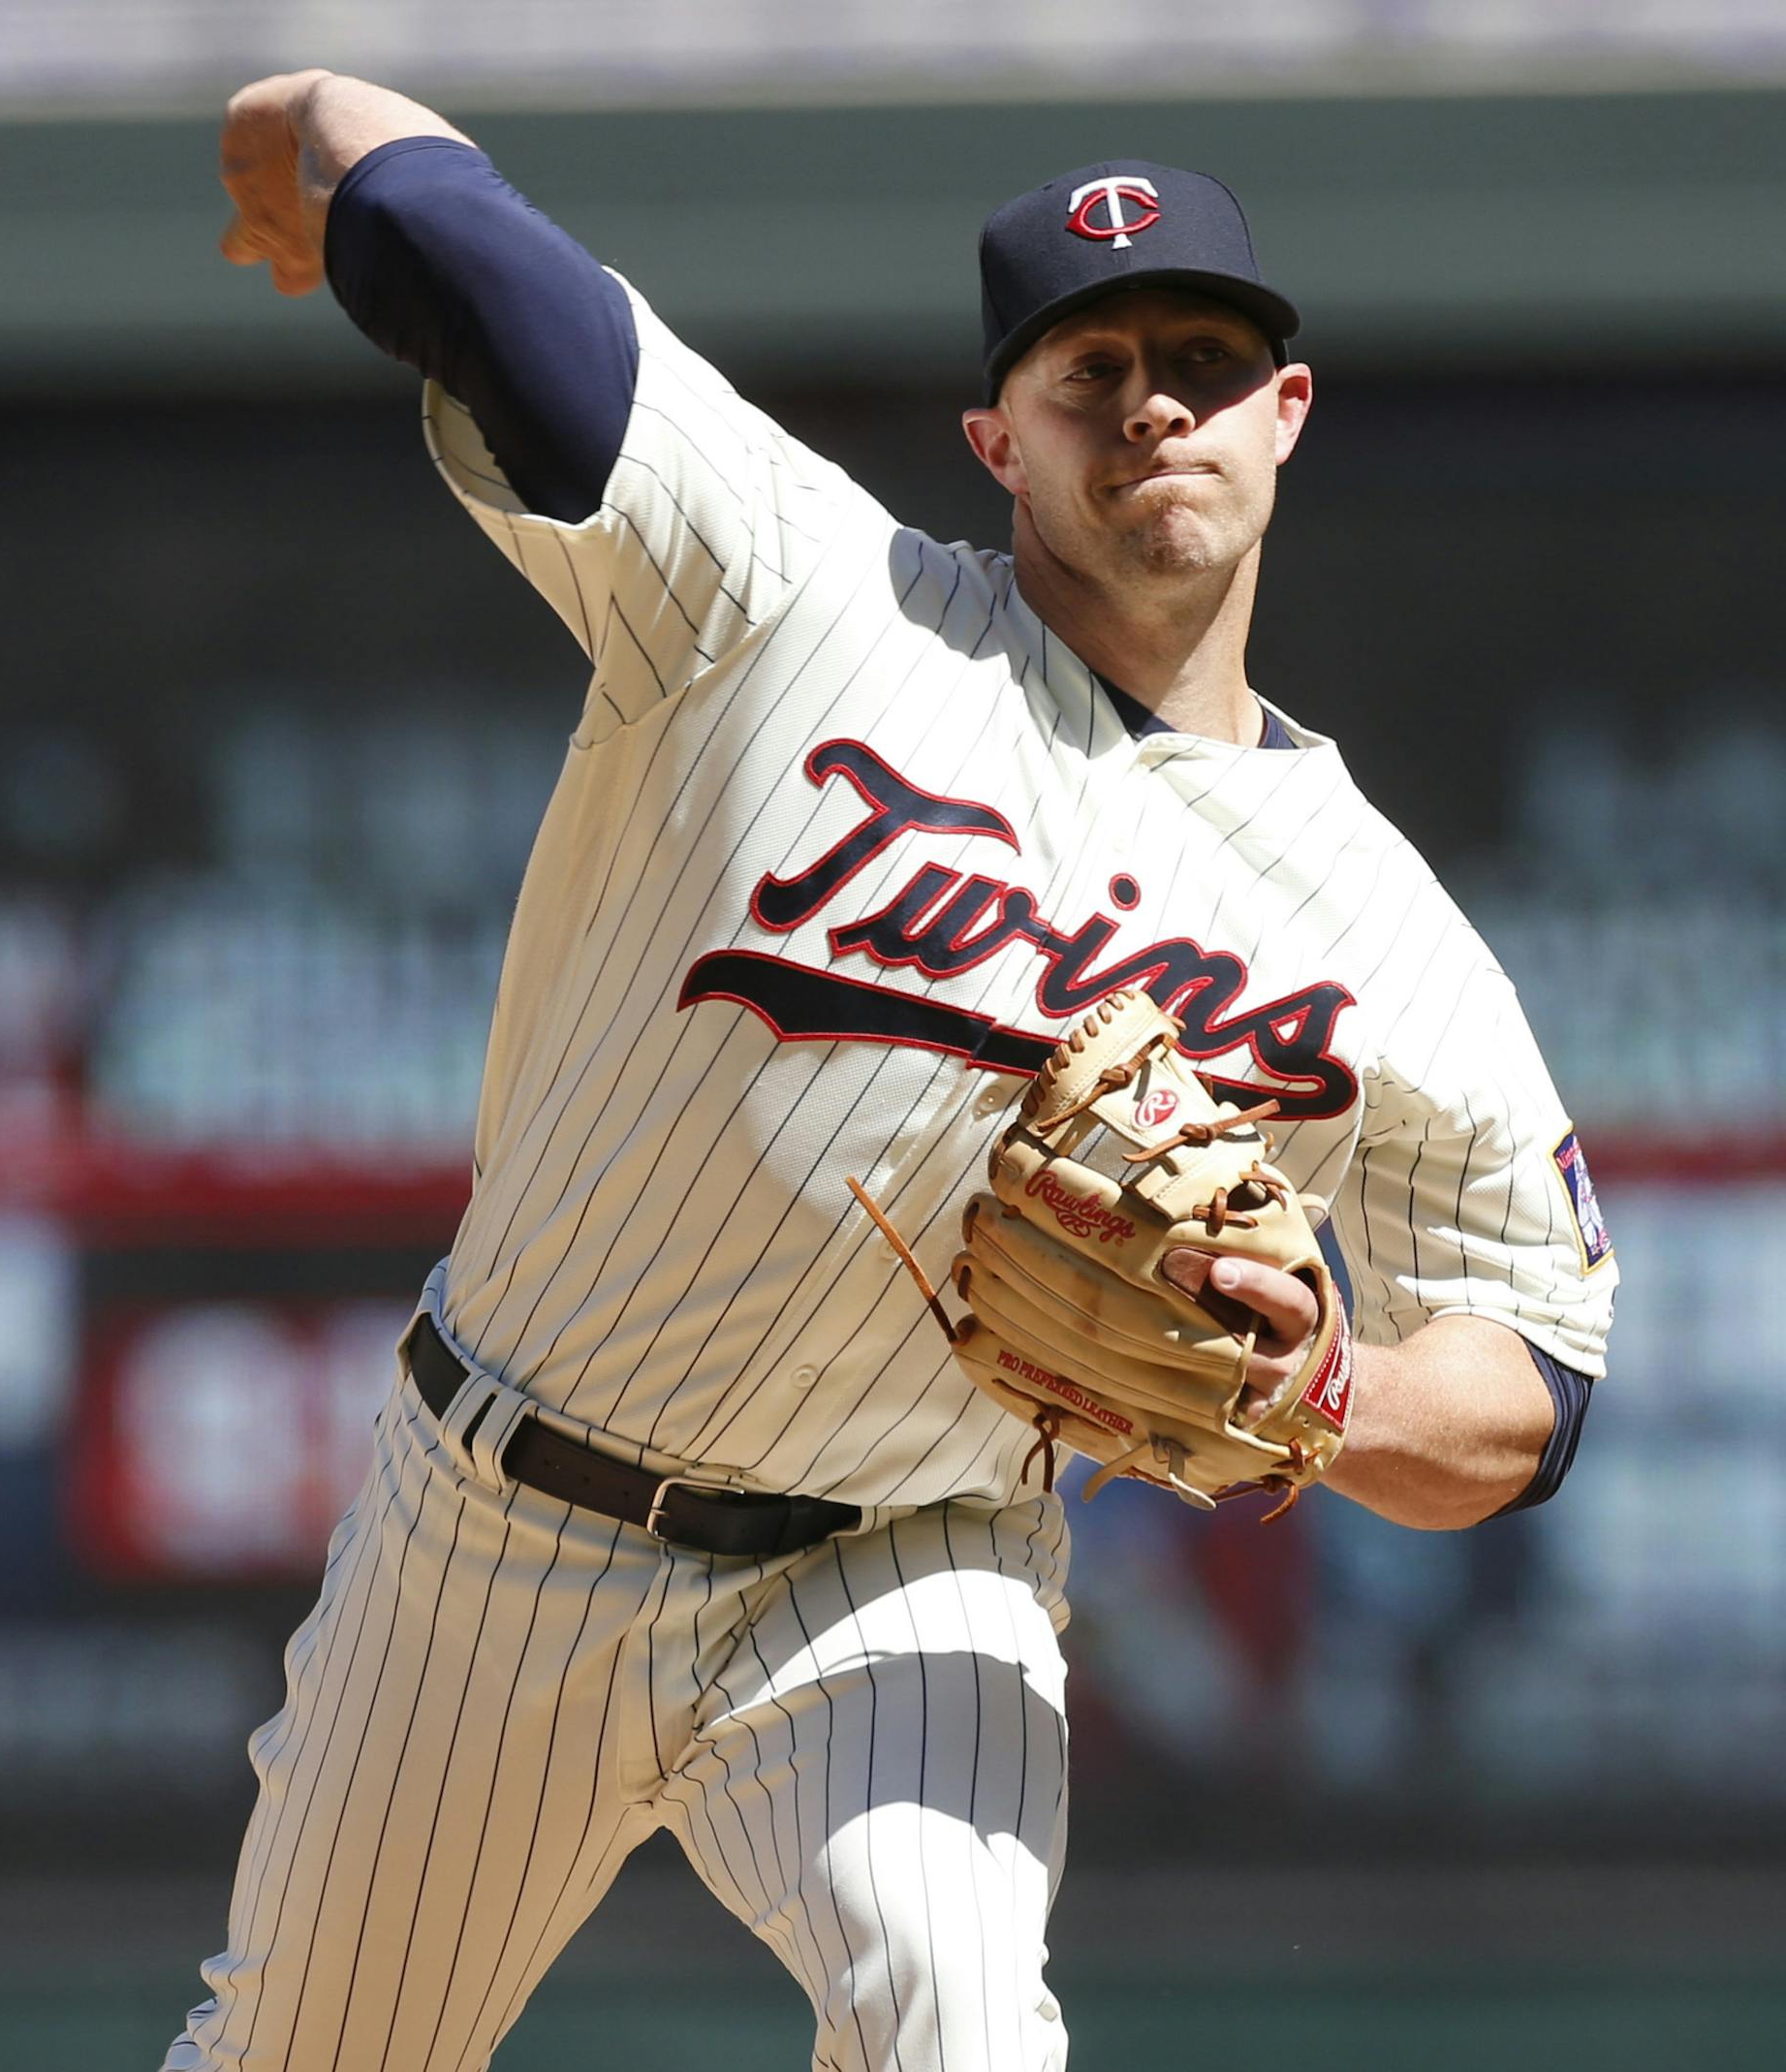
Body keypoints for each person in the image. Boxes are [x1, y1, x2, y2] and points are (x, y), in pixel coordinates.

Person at [165, 70, 1615, 2072]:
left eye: (1206, 358)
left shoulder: (1381, 924)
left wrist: (1334, 1391)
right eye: (1089, 365)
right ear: (993, 436)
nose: (1153, 403)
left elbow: (1535, 1382)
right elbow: (479, 275)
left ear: (1290, 412)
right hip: (508, 1511)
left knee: (960, 2036)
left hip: (906, 1566)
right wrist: (328, 122)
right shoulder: (798, 592)